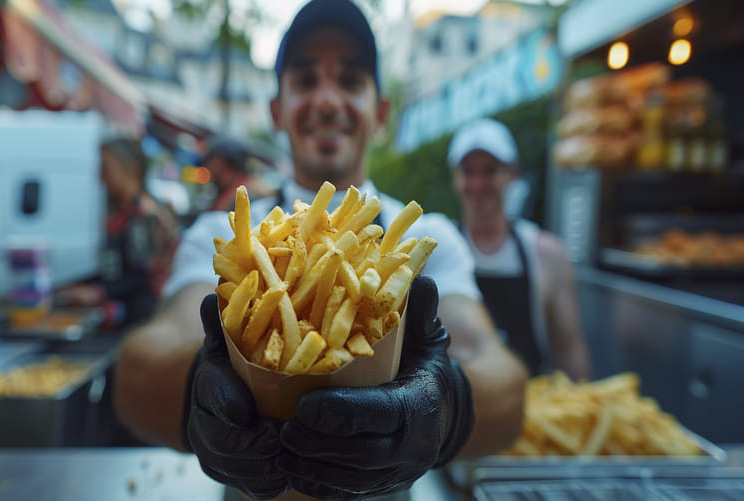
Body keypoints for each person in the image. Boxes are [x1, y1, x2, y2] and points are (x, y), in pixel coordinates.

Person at [113, 1, 527, 499]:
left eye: (350, 81)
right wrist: (196, 393)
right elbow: (135, 374)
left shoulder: (425, 239)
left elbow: (504, 385)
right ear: (277, 110)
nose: (328, 100)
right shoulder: (223, 236)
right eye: (306, 80)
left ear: (380, 112)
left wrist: (447, 407)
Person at [447, 118, 591, 380]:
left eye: (489, 171)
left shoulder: (546, 254)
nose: (478, 183)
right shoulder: (442, 248)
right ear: (455, 178)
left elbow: (570, 351)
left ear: (512, 174)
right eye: (468, 172)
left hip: (532, 402)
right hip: (457, 403)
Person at [56, 137, 180, 328]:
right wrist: (78, 286)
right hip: (127, 316)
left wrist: (96, 293)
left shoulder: (146, 214)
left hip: (146, 320)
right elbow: (117, 269)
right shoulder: (121, 213)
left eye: (106, 169)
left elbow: (141, 277)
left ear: (132, 170)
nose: (100, 178)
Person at [202, 135, 266, 211]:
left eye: (210, 160)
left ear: (220, 162)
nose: (207, 166)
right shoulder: (227, 190)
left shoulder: (248, 198)